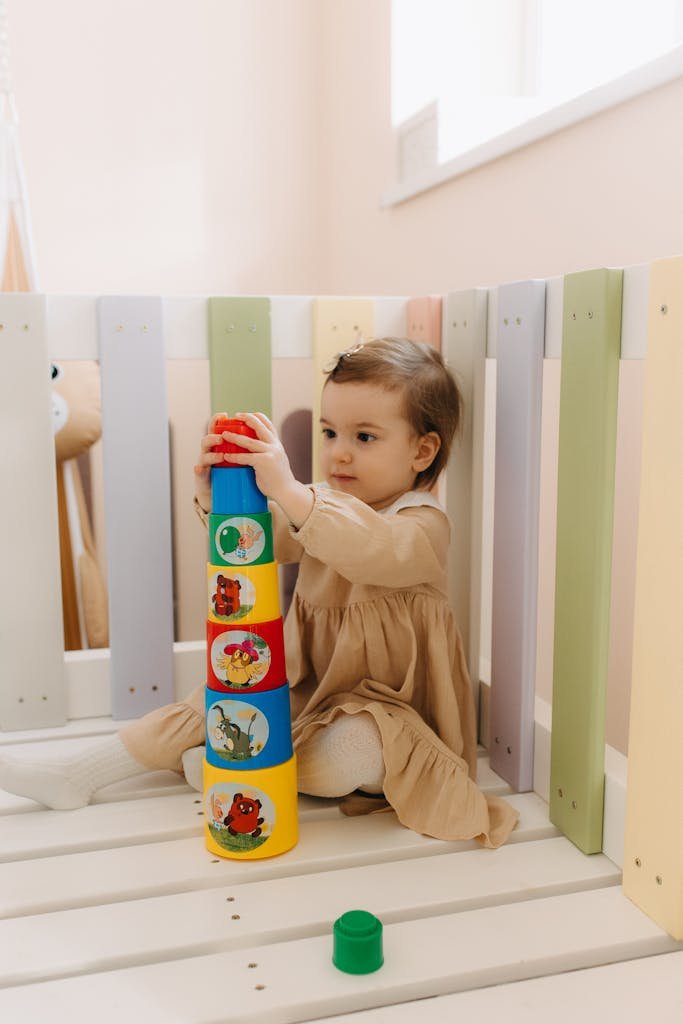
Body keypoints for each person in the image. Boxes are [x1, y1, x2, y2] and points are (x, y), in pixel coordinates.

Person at [0, 338, 518, 847]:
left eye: (364, 437)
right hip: (308, 685)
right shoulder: (321, 503)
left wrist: (292, 493)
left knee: (360, 747)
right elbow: (256, 542)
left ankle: (234, 766)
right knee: (212, 702)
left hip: (391, 712)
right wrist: (217, 498)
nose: (338, 453)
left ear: (422, 450)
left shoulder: (423, 524)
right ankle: (77, 773)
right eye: (330, 431)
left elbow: (371, 548)